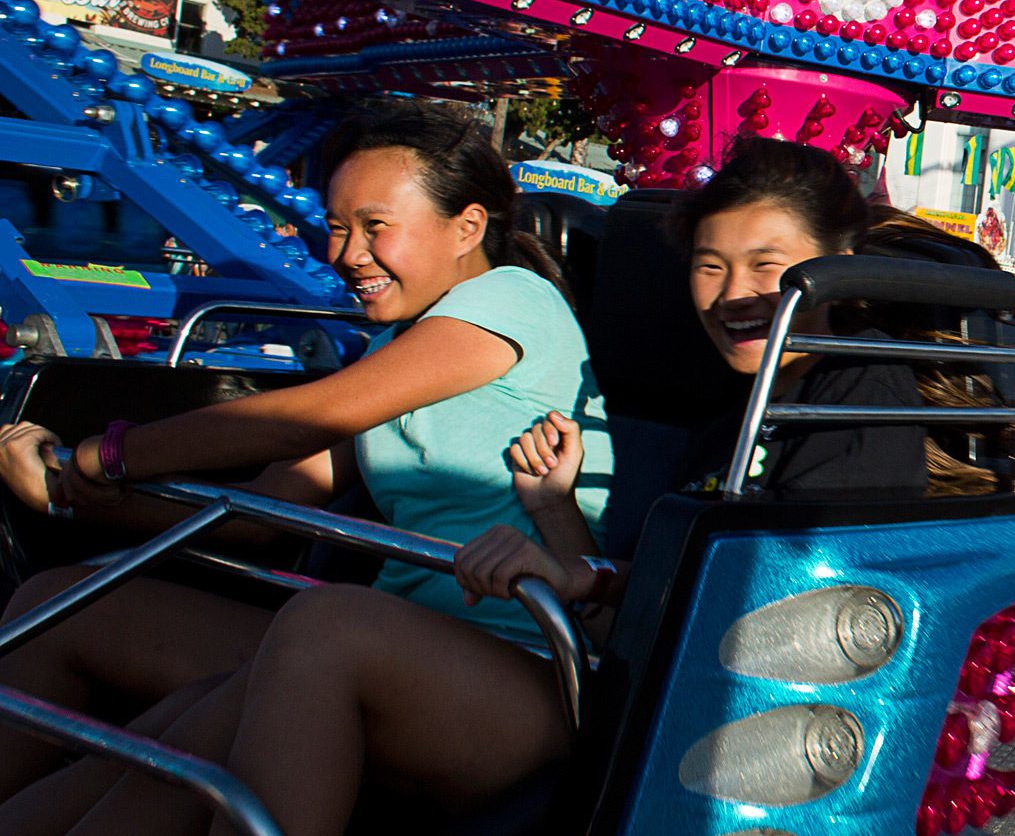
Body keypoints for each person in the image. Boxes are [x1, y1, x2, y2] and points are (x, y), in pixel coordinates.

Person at [47, 139, 946, 836]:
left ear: (839, 261)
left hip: (662, 719)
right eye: (711, 266)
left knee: (320, 626)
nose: (734, 292)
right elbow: (614, 606)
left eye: (768, 262)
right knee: (180, 721)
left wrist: (106, 456)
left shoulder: (856, 401)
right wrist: (557, 514)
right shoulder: (730, 425)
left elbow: (772, 608)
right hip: (601, 676)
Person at [0, 100, 610, 828]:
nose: (342, 253)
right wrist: (72, 493)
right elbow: (267, 508)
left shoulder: (513, 300)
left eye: (373, 227)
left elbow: (310, 415)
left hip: (517, 669)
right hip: (386, 645)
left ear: (468, 227)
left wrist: (113, 451)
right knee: (64, 608)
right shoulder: (401, 353)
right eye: (337, 226)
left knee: (313, 634)